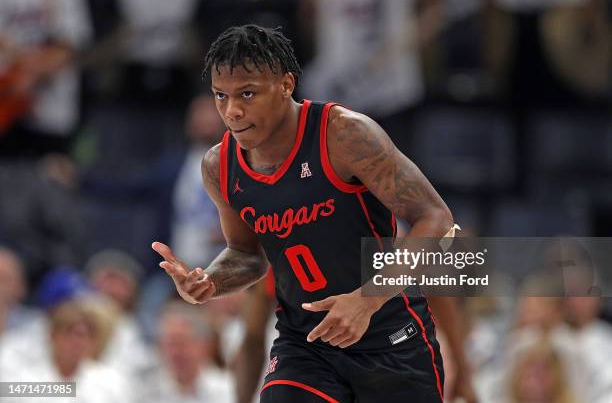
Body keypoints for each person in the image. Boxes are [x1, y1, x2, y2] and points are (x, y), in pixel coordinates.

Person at [152, 24, 476, 402]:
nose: (232, 110)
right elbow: (246, 255)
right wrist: (210, 281)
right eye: (220, 96)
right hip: (305, 345)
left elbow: (435, 217)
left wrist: (366, 300)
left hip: (389, 336)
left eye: (248, 94)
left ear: (286, 84)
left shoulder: (344, 135)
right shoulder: (219, 167)